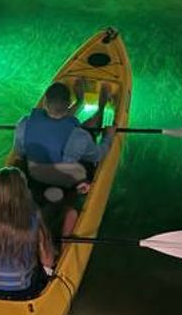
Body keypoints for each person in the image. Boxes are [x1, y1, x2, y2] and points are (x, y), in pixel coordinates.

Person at [13, 81, 116, 235]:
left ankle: (81, 102)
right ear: (68, 104)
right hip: (63, 179)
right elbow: (98, 154)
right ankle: (100, 108)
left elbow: (19, 152)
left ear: (45, 103)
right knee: (88, 131)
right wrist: (108, 136)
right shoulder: (79, 137)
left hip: (34, 174)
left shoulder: (24, 124)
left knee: (77, 132)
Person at [0, 167, 55, 298]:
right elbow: (48, 261)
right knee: (70, 214)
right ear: (22, 190)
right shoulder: (33, 216)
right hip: (26, 290)